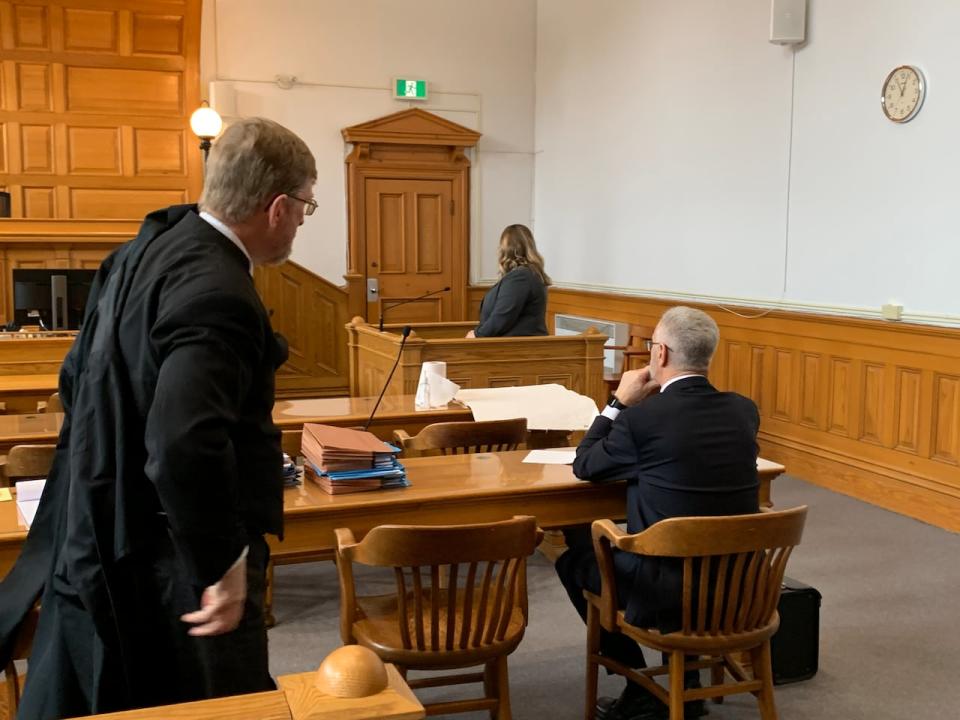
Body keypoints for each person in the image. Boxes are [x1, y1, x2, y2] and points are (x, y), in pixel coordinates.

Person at [0, 117, 317, 719]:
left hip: (104, 524)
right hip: (176, 558)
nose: (303, 219)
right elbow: (182, 444)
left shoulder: (141, 250)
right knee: (212, 705)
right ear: (278, 207)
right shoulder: (219, 289)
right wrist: (221, 564)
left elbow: (75, 380)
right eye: (306, 206)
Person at [555, 306, 760, 720]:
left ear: (659, 354)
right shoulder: (744, 411)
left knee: (573, 560)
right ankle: (689, 683)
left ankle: (639, 684)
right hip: (740, 589)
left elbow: (586, 465)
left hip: (666, 596)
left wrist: (617, 403)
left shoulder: (643, 419)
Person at [466, 224, 550, 338]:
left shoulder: (521, 277)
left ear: (508, 249)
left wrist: (477, 334)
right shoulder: (528, 273)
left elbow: (503, 316)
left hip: (515, 349)